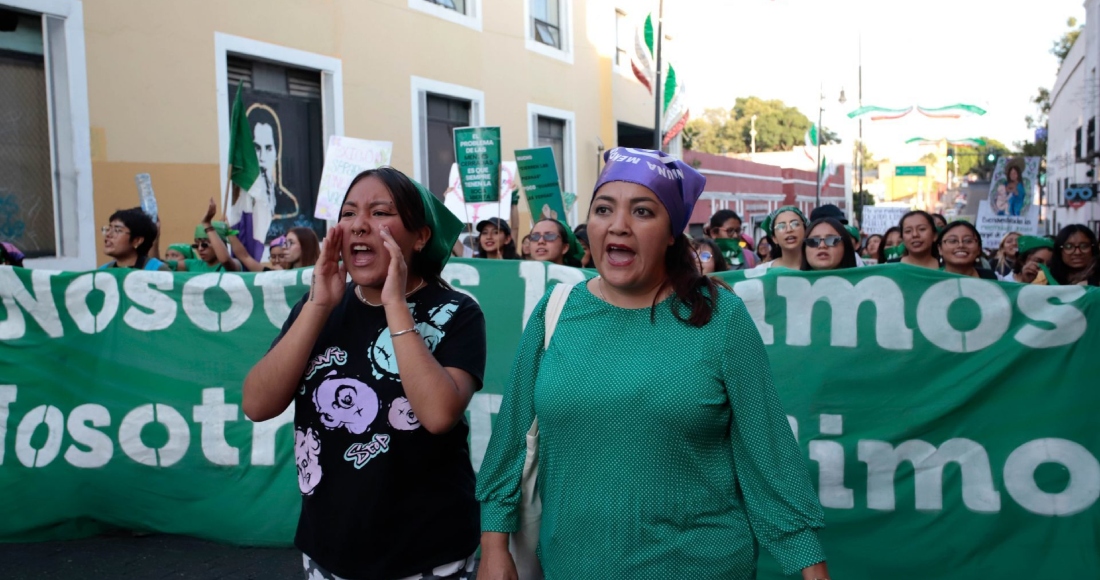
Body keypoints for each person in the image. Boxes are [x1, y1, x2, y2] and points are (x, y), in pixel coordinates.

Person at [476, 147, 828, 580]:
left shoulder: (720, 318)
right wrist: (494, 545)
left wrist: (810, 567)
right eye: (604, 209)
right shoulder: (557, 311)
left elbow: (769, 456)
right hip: (572, 566)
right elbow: (511, 437)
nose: (618, 225)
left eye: (642, 211)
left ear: (671, 234)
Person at [242, 166, 486, 580]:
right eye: (350, 213)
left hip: (427, 554)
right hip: (329, 552)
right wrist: (319, 306)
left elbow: (439, 413)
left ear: (420, 235)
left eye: (379, 213)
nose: (359, 225)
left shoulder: (457, 312)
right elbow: (257, 403)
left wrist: (395, 304)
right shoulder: (317, 306)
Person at [99, 208, 170, 271]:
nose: (108, 234)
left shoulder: (157, 271)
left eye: (117, 230)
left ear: (137, 241)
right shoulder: (103, 271)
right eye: (108, 229)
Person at [1033, 224, 1099, 286]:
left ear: (1093, 248)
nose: (1077, 252)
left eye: (1084, 246)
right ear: (1059, 250)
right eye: (1069, 246)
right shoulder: (1044, 278)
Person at [756, 206, 807, 271]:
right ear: (774, 238)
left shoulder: (818, 269)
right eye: (781, 226)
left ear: (805, 231)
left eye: (795, 224)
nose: (789, 230)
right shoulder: (762, 271)